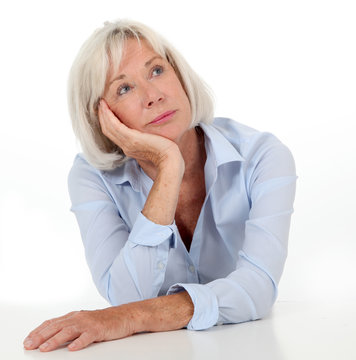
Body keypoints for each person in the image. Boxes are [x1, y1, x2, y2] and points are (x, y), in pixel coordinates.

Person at [23, 19, 297, 352]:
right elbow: (126, 295)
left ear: (179, 75)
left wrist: (134, 317)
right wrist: (169, 167)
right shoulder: (90, 176)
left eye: (156, 71)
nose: (153, 96)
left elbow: (258, 288)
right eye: (124, 88)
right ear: (103, 119)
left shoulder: (262, 157)